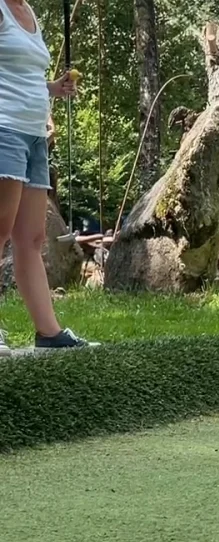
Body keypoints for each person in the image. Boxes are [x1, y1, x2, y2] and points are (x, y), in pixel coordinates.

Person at [0, 0, 98, 356]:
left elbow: (19, 74)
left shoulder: (28, 12)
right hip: (4, 129)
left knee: (32, 237)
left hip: (34, 136)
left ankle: (49, 334)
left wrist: (52, 88)